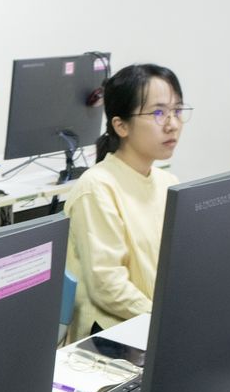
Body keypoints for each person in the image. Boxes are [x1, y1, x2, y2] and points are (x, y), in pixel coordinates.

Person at [64, 64, 191, 341]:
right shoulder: (97, 188)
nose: (172, 124)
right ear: (121, 125)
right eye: (158, 113)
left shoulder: (168, 183)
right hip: (111, 335)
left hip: (155, 323)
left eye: (177, 111)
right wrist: (167, 321)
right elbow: (108, 286)